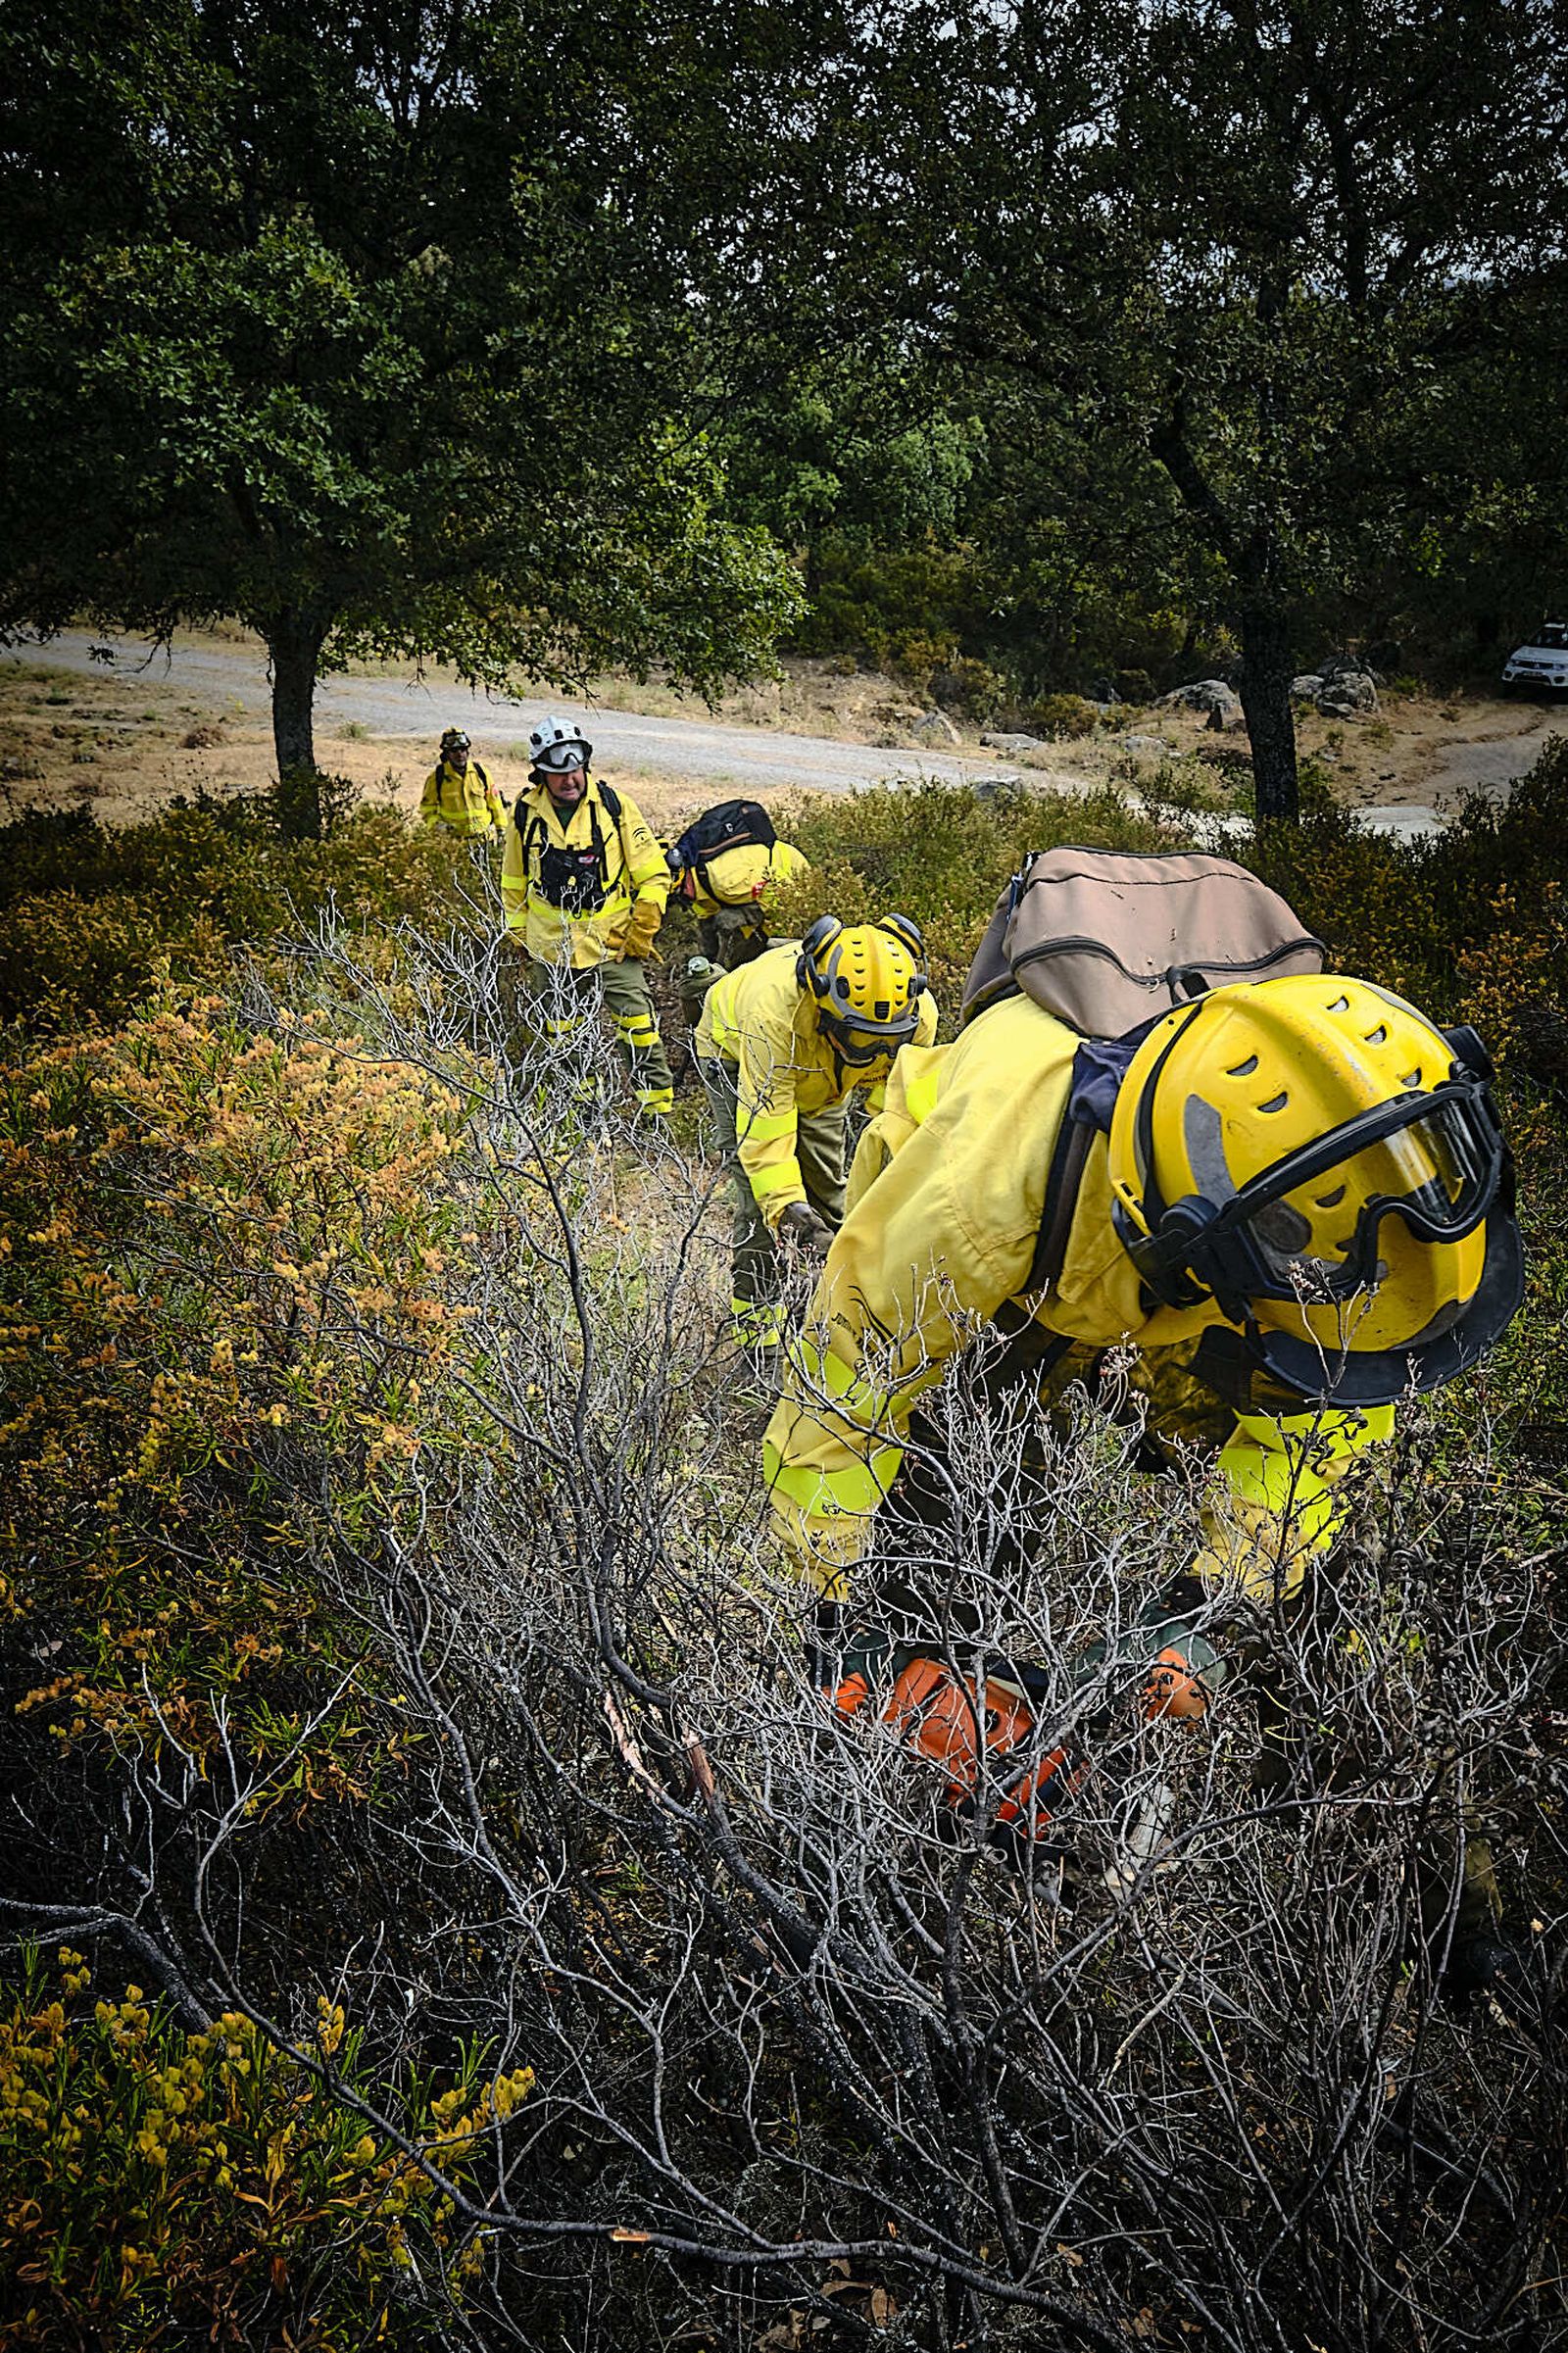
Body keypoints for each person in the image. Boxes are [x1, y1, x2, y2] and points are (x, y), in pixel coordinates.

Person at [763, 968, 1524, 1948]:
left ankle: (1439, 1909)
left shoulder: (1360, 1179)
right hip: (1008, 1287)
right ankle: (894, 1897)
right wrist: (833, 1616)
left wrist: (1200, 1615)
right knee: (932, 1557)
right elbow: (839, 1404)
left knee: (1332, 1589)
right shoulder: (968, 1203)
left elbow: (1320, 1434)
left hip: (1203, 1273)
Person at [694, 914, 939, 1354]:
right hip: (735, 1055)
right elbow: (767, 1140)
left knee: (829, 1190)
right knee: (761, 1204)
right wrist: (792, 1217)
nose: (869, 1051)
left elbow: (899, 1117)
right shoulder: (774, 1012)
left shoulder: (917, 1016)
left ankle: (829, 1313)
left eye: (878, 1042)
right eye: (857, 1037)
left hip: (826, 1079)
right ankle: (757, 1336)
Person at [501, 715, 674, 1116]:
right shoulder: (525, 815)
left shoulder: (614, 807)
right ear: (540, 772)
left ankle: (657, 1113)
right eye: (558, 773)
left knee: (639, 1028)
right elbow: (512, 881)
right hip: (553, 947)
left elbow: (653, 874)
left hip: (613, 944)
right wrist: (520, 936)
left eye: (574, 769)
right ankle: (582, 1110)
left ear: (585, 765)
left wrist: (643, 929)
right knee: (563, 1036)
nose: (569, 780)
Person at [665, 814, 813, 1021]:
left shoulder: (724, 881)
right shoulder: (696, 888)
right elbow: (707, 922)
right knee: (733, 960)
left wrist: (744, 915)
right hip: (757, 897)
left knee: (767, 963)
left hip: (793, 879)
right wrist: (709, 962)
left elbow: (781, 887)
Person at [419, 727, 507, 841]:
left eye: (462, 749)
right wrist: (438, 826)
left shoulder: (481, 772)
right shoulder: (437, 777)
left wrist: (501, 829)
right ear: (447, 754)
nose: (459, 754)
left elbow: (495, 803)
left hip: (483, 840)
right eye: (454, 750)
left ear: (467, 751)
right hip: (454, 842)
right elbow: (427, 808)